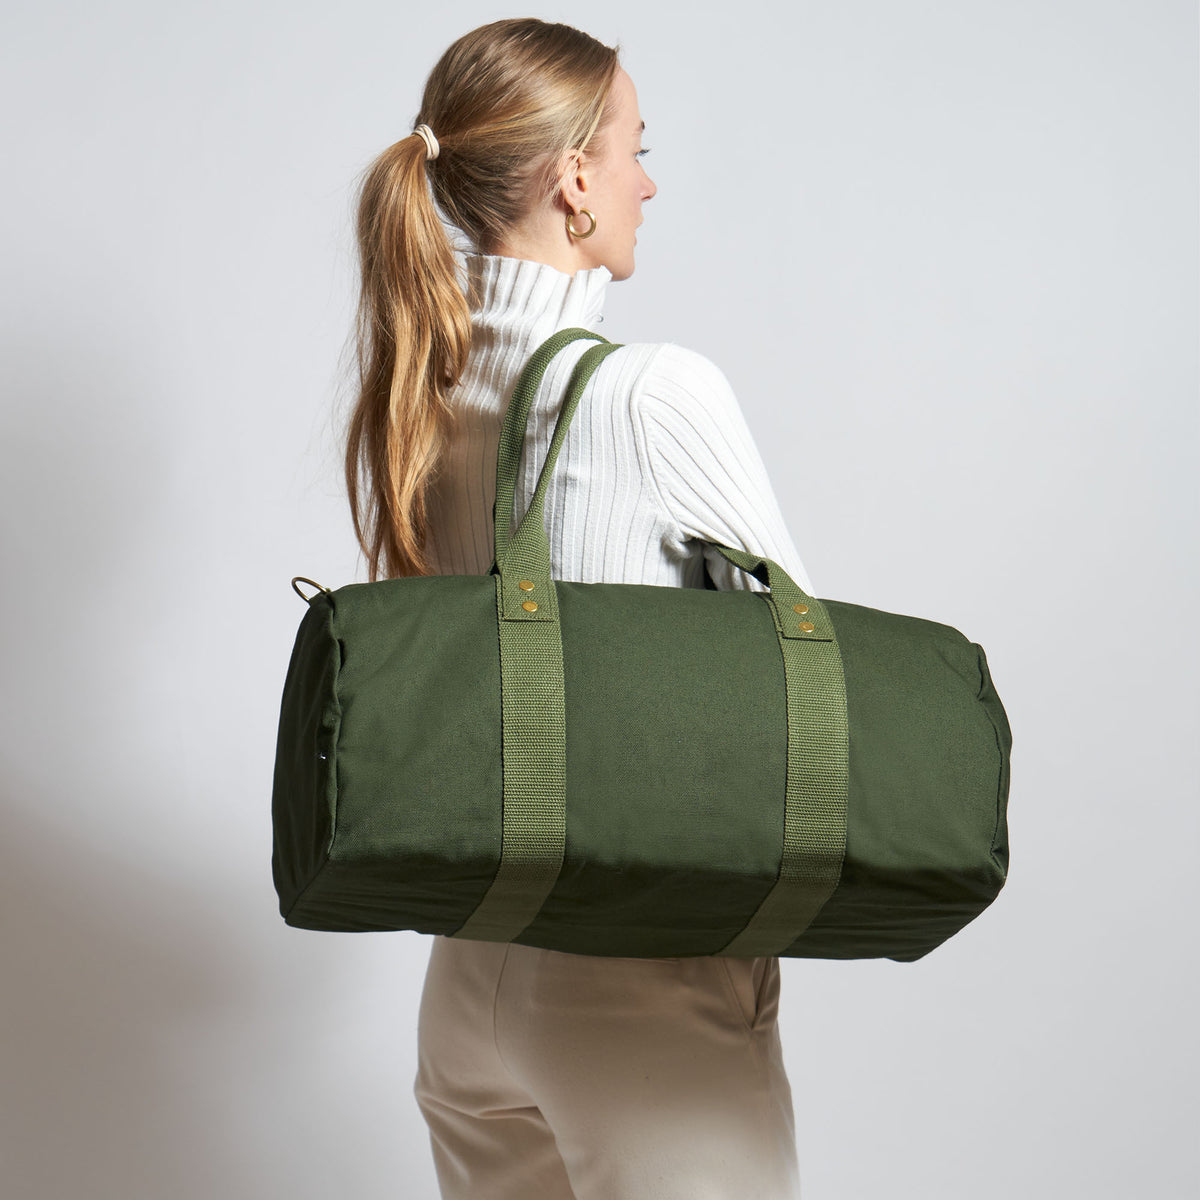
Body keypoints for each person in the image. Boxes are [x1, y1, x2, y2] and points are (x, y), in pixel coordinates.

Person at [343, 18, 813, 1200]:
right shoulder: (653, 394)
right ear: (573, 182)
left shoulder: (427, 392)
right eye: (635, 152)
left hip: (470, 978)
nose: (648, 184)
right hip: (632, 979)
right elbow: (804, 678)